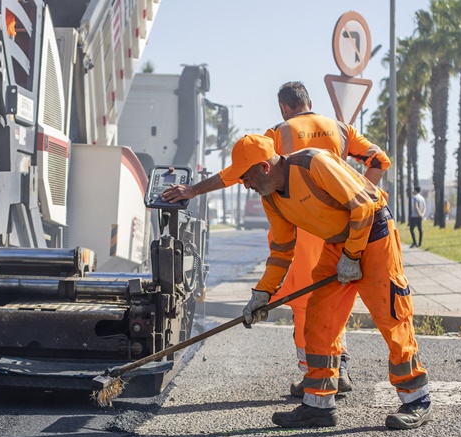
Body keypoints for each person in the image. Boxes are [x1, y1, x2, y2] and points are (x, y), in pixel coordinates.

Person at [161, 82, 391, 397]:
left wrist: (192, 190)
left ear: (284, 107)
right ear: (309, 102)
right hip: (345, 227)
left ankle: (315, 374)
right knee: (335, 298)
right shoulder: (341, 129)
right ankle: (340, 366)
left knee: (304, 305)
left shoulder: (278, 133)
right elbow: (380, 161)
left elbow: (239, 172)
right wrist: (359, 193)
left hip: (300, 227)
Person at [231, 134, 431, 430]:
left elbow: (363, 206)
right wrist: (263, 294)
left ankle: (417, 399)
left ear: (263, 167)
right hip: (337, 243)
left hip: (373, 234)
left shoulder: (314, 163)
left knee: (392, 316)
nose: (245, 184)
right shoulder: (271, 198)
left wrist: (353, 256)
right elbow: (282, 250)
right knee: (319, 317)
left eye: (245, 177)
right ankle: (318, 405)